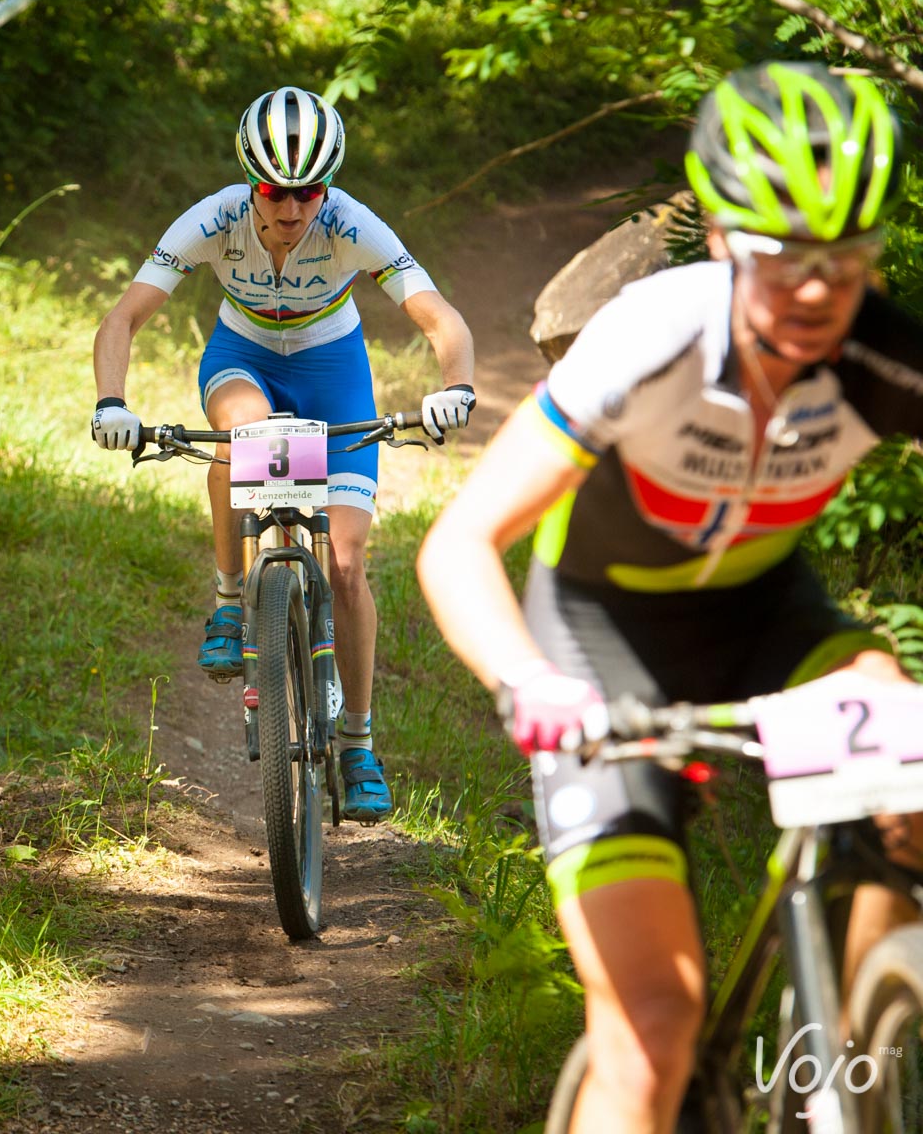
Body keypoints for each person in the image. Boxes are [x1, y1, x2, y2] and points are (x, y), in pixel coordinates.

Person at [417, 62, 923, 1133]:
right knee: (650, 1030)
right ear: (720, 242)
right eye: (781, 254)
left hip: (766, 622)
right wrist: (525, 683)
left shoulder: (887, 358)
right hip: (597, 638)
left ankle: (856, 1045)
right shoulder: (649, 338)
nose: (816, 289)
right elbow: (459, 542)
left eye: (846, 258)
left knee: (899, 737)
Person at [91, 85, 477, 822]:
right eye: (276, 191)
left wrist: (455, 386)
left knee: (347, 563)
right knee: (249, 436)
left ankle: (359, 744)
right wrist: (112, 401)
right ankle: (232, 603)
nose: (293, 209)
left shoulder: (350, 224)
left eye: (310, 192)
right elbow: (124, 317)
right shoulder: (215, 219)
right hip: (246, 358)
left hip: (335, 371)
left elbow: (439, 316)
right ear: (250, 182)